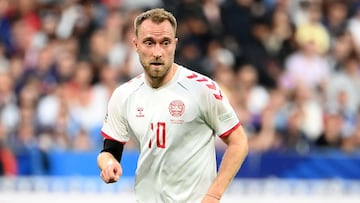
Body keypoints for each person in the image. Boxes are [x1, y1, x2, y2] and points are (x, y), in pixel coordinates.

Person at [97, 8, 248, 203]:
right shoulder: (124, 95)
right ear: (136, 44)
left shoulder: (202, 89)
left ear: (175, 44)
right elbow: (109, 151)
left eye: (165, 43)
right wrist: (108, 163)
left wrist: (213, 195)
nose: (158, 52)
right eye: (149, 43)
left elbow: (239, 142)